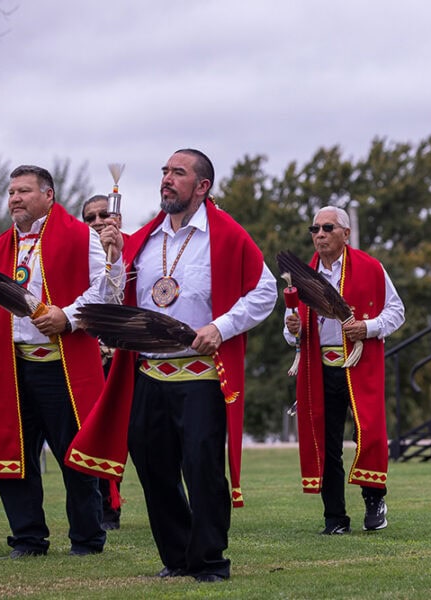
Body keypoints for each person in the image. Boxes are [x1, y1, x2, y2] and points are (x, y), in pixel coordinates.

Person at [65, 149, 277, 582]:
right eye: (164, 171)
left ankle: (210, 561)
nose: (167, 179)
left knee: (202, 471)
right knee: (154, 470)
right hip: (148, 375)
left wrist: (221, 327)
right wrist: (114, 257)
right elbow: (113, 299)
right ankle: (178, 557)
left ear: (202, 186)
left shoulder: (227, 235)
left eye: (178, 173)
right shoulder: (144, 238)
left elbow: (265, 292)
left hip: (199, 377)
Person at [0, 165, 120, 558]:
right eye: (11, 192)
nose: (14, 198)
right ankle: (28, 538)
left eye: (23, 191)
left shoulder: (80, 236)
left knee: (75, 455)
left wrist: (66, 316)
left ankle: (87, 539)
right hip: (11, 366)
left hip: (62, 365)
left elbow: (104, 290)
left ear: (48, 195)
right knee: (13, 454)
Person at [284, 206, 405, 535]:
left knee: (369, 434)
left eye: (327, 228)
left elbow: (397, 312)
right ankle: (334, 517)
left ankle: (374, 499)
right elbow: (291, 331)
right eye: (315, 229)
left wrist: (368, 327)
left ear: (345, 234)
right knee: (326, 441)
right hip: (319, 366)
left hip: (360, 364)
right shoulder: (303, 275)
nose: (319, 234)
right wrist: (293, 327)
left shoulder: (370, 268)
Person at [81, 193, 127, 530]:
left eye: (101, 215)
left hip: (128, 359)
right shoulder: (75, 255)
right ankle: (106, 509)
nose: (97, 222)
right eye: (89, 217)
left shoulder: (137, 249)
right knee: (95, 433)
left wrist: (118, 254)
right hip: (87, 360)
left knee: (138, 436)